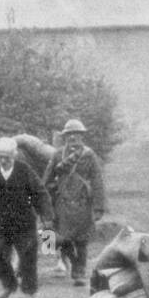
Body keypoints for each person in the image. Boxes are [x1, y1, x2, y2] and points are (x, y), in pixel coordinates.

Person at [0, 136, 53, 298]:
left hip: (23, 221)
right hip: (0, 221)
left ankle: (28, 290)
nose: (3, 161)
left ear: (14, 156)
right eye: (0, 157)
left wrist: (46, 216)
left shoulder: (24, 170)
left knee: (27, 255)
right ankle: (8, 284)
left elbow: (40, 193)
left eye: (7, 157)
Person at [42, 119, 105, 287]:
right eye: (69, 135)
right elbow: (46, 180)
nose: (73, 138)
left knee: (82, 241)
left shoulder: (89, 155)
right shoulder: (57, 155)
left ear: (82, 136)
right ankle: (75, 263)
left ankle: (79, 272)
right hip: (62, 204)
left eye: (76, 134)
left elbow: (97, 181)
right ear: (65, 137)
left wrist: (99, 208)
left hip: (83, 204)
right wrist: (44, 199)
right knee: (60, 240)